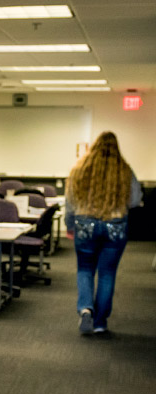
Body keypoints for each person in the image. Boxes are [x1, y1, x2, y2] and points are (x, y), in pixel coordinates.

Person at [65, 131, 142, 337]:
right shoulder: (125, 170)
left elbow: (70, 201)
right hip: (114, 227)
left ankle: (86, 308)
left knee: (85, 269)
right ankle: (100, 323)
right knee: (107, 273)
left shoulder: (79, 169)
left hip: (85, 225)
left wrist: (69, 225)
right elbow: (135, 200)